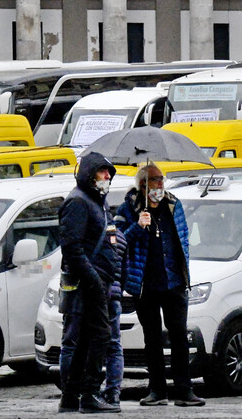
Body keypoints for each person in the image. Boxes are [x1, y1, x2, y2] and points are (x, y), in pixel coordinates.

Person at [115, 162, 205, 407]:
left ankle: (185, 390)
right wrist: (138, 226)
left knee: (178, 336)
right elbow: (116, 242)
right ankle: (157, 390)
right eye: (155, 180)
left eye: (162, 180)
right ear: (143, 184)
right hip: (146, 284)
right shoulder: (129, 209)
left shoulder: (173, 205)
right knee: (152, 338)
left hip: (174, 280)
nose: (160, 184)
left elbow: (183, 238)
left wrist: (184, 271)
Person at [58, 152, 120, 414]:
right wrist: (94, 278)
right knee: (100, 335)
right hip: (89, 281)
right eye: (102, 172)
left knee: (85, 338)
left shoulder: (96, 201)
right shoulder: (78, 202)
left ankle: (72, 395)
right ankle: (90, 394)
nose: (107, 177)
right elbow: (71, 248)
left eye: (109, 173)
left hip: (99, 280)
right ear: (89, 174)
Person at [101, 228, 128, 408]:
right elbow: (124, 271)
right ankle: (113, 392)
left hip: (99, 294)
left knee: (91, 344)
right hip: (115, 296)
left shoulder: (96, 233)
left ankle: (89, 390)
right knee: (114, 344)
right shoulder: (121, 238)